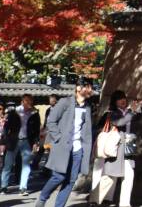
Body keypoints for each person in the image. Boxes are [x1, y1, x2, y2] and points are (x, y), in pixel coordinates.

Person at [35, 78, 95, 207]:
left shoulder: (88, 107)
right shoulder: (65, 102)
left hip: (78, 149)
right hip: (63, 146)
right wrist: (58, 137)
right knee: (59, 176)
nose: (91, 90)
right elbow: (51, 121)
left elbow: (86, 130)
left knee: (71, 180)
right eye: (88, 87)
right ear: (79, 88)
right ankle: (43, 197)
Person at [90, 90, 142, 207]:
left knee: (129, 175)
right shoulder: (112, 113)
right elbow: (121, 122)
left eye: (124, 98)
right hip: (116, 148)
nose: (123, 100)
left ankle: (125, 203)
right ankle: (95, 200)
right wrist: (132, 111)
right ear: (114, 102)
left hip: (129, 146)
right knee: (109, 176)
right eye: (119, 98)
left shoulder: (131, 112)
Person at [0, 93, 41, 195]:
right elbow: (6, 128)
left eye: (31, 100)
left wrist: (36, 142)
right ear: (22, 101)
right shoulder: (14, 112)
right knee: (8, 164)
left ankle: (23, 188)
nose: (29, 102)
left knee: (26, 165)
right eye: (27, 100)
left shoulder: (35, 113)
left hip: (27, 141)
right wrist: (3, 142)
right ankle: (3, 186)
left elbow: (36, 130)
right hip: (14, 141)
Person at [33, 94, 59, 172]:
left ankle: (47, 169)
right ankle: (35, 164)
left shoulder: (59, 110)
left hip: (54, 132)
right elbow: (45, 121)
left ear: (56, 100)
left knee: (51, 151)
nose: (51, 101)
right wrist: (43, 129)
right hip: (46, 131)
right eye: (50, 99)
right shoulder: (48, 109)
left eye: (52, 99)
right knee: (41, 148)